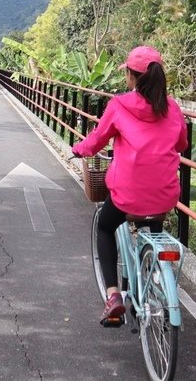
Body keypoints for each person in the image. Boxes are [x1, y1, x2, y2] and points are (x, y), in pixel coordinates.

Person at [71, 46, 188, 325]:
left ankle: (113, 295)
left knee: (105, 226)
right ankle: (155, 278)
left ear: (131, 76)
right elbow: (182, 143)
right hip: (165, 196)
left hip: (127, 195)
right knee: (153, 222)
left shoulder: (119, 105)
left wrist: (79, 149)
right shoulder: (172, 108)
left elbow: (97, 140)